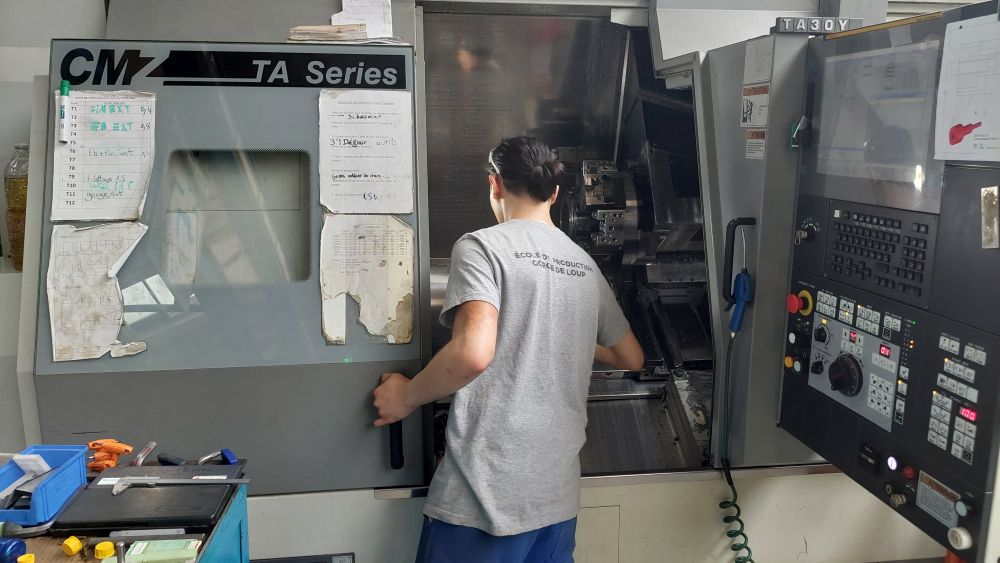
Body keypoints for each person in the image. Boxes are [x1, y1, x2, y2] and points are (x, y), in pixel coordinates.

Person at [373, 136, 644, 563]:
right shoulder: (584, 264)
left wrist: (403, 397)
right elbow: (632, 358)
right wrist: (556, 332)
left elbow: (472, 354)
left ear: (494, 184)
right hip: (555, 503)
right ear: (554, 193)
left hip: (486, 501)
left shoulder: (483, 247)